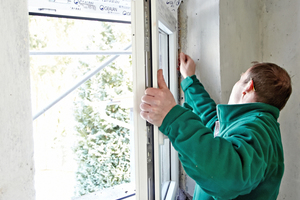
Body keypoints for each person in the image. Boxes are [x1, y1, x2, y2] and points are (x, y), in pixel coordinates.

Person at [140, 52, 292, 200]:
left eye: (240, 79)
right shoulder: (252, 123)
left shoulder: (259, 131)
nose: (237, 83)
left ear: (248, 88)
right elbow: (213, 122)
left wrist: (171, 117)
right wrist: (190, 80)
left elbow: (226, 176)